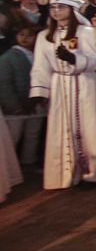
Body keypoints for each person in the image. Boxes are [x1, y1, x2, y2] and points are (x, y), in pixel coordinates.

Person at [29, 0, 96, 190]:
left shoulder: (85, 32)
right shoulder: (44, 36)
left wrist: (74, 59)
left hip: (85, 83)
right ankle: (67, 172)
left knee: (89, 126)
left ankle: (93, 171)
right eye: (53, 8)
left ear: (71, 10)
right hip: (60, 85)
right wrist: (39, 91)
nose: (56, 11)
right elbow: (39, 66)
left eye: (61, 7)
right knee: (63, 127)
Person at [0, 24, 44, 164]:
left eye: (29, 35)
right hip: (16, 105)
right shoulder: (8, 57)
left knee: (33, 135)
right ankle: (9, 167)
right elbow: (4, 84)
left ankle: (28, 161)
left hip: (35, 102)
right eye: (21, 34)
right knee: (13, 137)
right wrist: (14, 105)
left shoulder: (38, 54)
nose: (25, 38)